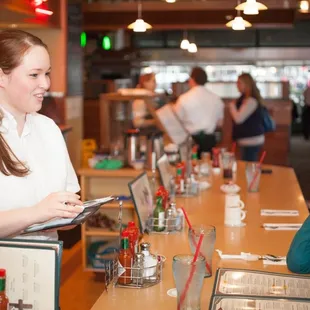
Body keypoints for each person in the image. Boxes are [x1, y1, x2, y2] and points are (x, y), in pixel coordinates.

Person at [0, 29, 83, 240]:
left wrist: (66, 215)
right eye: (34, 75)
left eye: (47, 74)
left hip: (45, 267)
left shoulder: (48, 128)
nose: (45, 84)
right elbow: (40, 212)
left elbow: (66, 209)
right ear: (2, 76)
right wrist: (37, 214)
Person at [174, 67, 224, 158]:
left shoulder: (183, 98)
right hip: (210, 142)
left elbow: (175, 121)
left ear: (192, 79)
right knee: (208, 167)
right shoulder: (216, 98)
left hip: (190, 142)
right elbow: (220, 123)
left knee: (191, 168)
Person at [229, 73, 264, 162]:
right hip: (248, 139)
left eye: (239, 83)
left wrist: (232, 106)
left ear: (247, 84)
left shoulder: (251, 101)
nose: (237, 85)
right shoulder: (244, 99)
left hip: (251, 140)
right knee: (247, 166)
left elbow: (238, 119)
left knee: (248, 167)